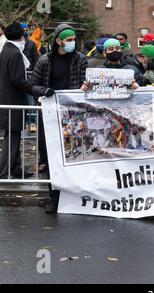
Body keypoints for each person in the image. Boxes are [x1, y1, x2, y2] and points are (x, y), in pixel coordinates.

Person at [31, 24, 88, 214]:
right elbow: (33, 85)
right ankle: (54, 198)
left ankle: (74, 197)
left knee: (75, 154)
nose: (72, 42)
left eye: (73, 39)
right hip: (49, 115)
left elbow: (84, 81)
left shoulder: (80, 59)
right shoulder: (45, 61)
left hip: (73, 114)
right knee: (51, 157)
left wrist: (84, 89)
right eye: (68, 39)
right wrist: (45, 91)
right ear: (59, 41)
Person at [0, 22, 53, 180]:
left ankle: (16, 169)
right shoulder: (15, 53)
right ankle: (4, 172)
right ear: (21, 36)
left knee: (13, 136)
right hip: (13, 100)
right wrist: (38, 90)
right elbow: (19, 80)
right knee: (13, 138)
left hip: (8, 99)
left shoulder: (6, 50)